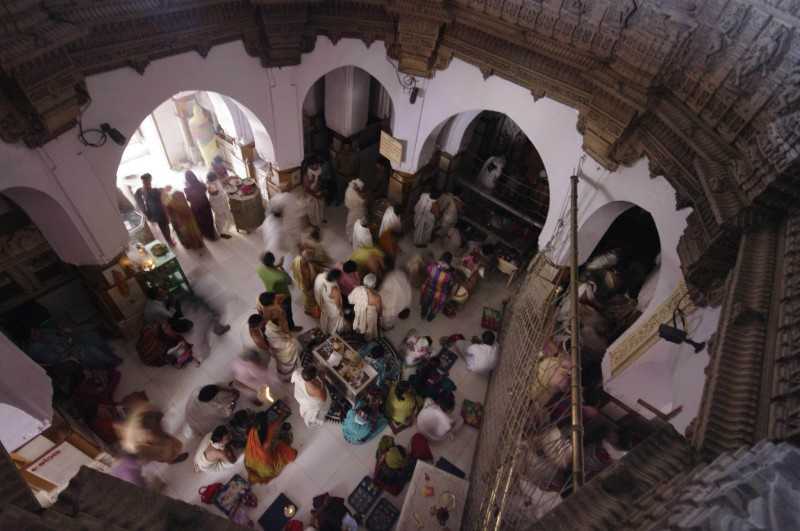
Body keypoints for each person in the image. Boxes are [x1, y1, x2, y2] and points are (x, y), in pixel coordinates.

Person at [115, 401, 188, 464]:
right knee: (165, 452)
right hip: (149, 446)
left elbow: (146, 410)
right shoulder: (137, 445)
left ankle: (171, 457)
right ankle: (171, 459)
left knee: (170, 443)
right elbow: (151, 451)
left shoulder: (139, 419)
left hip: (150, 436)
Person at [245, 414, 297, 484]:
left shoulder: (252, 433)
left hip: (253, 462)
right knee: (292, 453)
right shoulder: (266, 444)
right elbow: (274, 426)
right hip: (268, 468)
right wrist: (282, 415)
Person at [256, 252, 301, 331]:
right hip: (283, 297)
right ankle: (291, 327)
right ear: (273, 260)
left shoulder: (259, 269)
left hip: (270, 294)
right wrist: (281, 268)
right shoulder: (280, 276)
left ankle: (276, 321)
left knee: (278, 311)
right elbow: (289, 281)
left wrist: (277, 266)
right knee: (288, 313)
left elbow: (270, 269)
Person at [134, 173, 175, 245]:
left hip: (153, 212)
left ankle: (169, 240)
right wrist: (164, 190)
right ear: (149, 179)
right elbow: (163, 199)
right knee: (165, 227)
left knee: (162, 227)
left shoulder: (141, 190)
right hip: (160, 211)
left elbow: (139, 199)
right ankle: (170, 241)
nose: (150, 181)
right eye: (149, 179)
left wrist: (145, 211)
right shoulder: (153, 190)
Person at [184, 170, 217, 240]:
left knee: (201, 221)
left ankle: (206, 234)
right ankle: (212, 235)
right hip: (205, 204)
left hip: (196, 207)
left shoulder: (187, 189)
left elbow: (188, 199)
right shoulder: (201, 184)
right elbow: (205, 190)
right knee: (208, 219)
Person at [420, 253, 454, 321]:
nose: (442, 265)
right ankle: (424, 313)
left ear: (448, 265)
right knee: (425, 303)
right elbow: (426, 273)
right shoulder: (432, 267)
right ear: (439, 261)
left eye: (445, 264)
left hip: (440, 292)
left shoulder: (449, 275)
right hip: (429, 288)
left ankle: (430, 316)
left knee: (436, 306)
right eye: (441, 262)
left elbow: (450, 284)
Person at [348, 274, 382, 340]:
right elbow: (379, 310)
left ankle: (359, 334)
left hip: (359, 313)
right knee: (369, 329)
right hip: (370, 317)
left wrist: (360, 304)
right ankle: (368, 339)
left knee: (360, 324)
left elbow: (350, 300)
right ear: (374, 285)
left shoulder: (357, 289)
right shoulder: (376, 298)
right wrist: (380, 317)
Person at [292, 248, 322, 317]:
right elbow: (307, 283)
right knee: (311, 301)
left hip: (302, 283)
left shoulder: (297, 259)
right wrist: (310, 289)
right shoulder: (305, 270)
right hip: (308, 287)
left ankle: (309, 308)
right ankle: (309, 311)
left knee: (308, 299)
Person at [314, 269, 345, 335]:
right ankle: (332, 334)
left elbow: (316, 290)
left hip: (324, 304)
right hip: (332, 309)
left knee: (325, 318)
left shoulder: (320, 276)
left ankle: (324, 331)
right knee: (334, 323)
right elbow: (337, 303)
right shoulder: (334, 289)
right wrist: (341, 310)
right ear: (335, 279)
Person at [206, 171, 234, 238]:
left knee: (225, 214)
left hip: (222, 202)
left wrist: (228, 179)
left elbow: (220, 184)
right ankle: (221, 232)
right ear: (213, 178)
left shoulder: (215, 181)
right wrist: (225, 192)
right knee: (220, 218)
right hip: (218, 204)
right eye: (216, 177)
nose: (217, 177)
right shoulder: (211, 186)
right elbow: (216, 194)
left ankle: (226, 228)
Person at [303, 155, 326, 226]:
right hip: (311, 194)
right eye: (316, 164)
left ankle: (321, 219)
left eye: (318, 164)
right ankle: (314, 224)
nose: (318, 165)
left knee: (321, 205)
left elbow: (320, 180)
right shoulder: (306, 174)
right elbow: (307, 189)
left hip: (317, 191)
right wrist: (316, 196)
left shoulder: (318, 170)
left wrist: (321, 189)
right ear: (310, 165)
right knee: (314, 210)